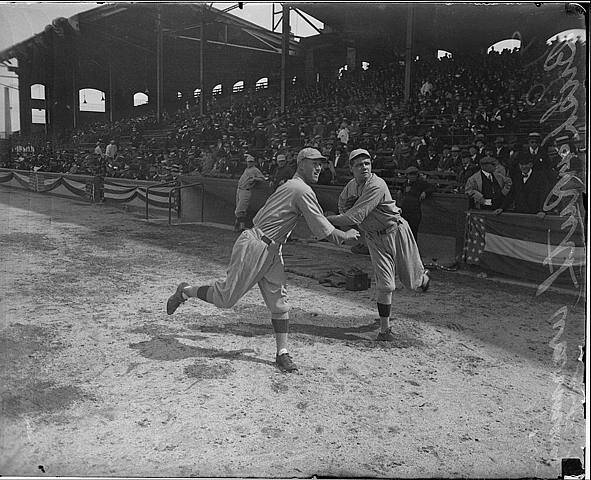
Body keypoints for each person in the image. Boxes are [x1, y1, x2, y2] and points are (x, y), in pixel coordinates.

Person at [166, 148, 360, 372]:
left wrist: (334, 224)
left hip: (272, 248)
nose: (319, 168)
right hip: (256, 245)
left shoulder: (293, 187)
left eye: (321, 164)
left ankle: (282, 352)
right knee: (226, 299)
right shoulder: (300, 189)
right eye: (314, 163)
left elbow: (311, 222)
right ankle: (185, 291)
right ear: (301, 164)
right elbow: (322, 229)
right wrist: (345, 236)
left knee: (279, 303)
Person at [325, 149, 430, 343]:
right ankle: (385, 330)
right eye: (358, 165)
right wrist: (344, 211)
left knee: (411, 283)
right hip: (374, 238)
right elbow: (342, 206)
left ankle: (424, 278)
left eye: (367, 163)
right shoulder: (351, 186)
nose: (364, 167)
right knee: (386, 285)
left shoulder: (377, 184)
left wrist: (323, 221)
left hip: (395, 232)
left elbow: (353, 217)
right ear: (351, 169)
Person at [399, 166, 435, 241]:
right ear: (407, 175)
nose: (413, 176)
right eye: (410, 174)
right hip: (405, 210)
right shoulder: (406, 183)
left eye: (414, 174)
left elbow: (432, 187)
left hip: (414, 212)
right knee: (404, 231)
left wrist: (425, 192)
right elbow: (402, 190)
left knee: (413, 232)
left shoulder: (421, 183)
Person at [234, 154, 267, 232]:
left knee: (239, 210)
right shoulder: (246, 169)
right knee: (239, 210)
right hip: (240, 190)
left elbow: (262, 179)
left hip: (246, 190)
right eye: (248, 162)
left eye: (251, 162)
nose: (250, 163)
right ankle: (240, 226)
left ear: (254, 162)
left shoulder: (255, 169)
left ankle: (239, 225)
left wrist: (254, 179)